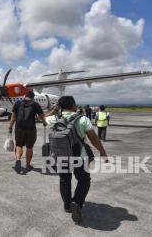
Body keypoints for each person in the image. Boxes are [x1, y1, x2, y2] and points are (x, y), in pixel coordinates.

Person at [45, 96, 108, 224]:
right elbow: (93, 138)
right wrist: (102, 152)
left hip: (61, 156)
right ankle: (77, 202)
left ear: (60, 106)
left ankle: (67, 205)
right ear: (73, 105)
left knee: (64, 180)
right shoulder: (82, 119)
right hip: (80, 156)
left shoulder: (53, 119)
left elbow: (43, 119)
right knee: (84, 180)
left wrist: (53, 110)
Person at [8, 90, 47, 173]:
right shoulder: (36, 105)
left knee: (19, 145)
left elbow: (13, 116)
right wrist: (44, 122)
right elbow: (41, 116)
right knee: (29, 147)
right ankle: (27, 165)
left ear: (25, 96)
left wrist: (10, 126)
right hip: (31, 129)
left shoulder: (17, 103)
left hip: (19, 128)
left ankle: (18, 160)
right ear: (33, 97)